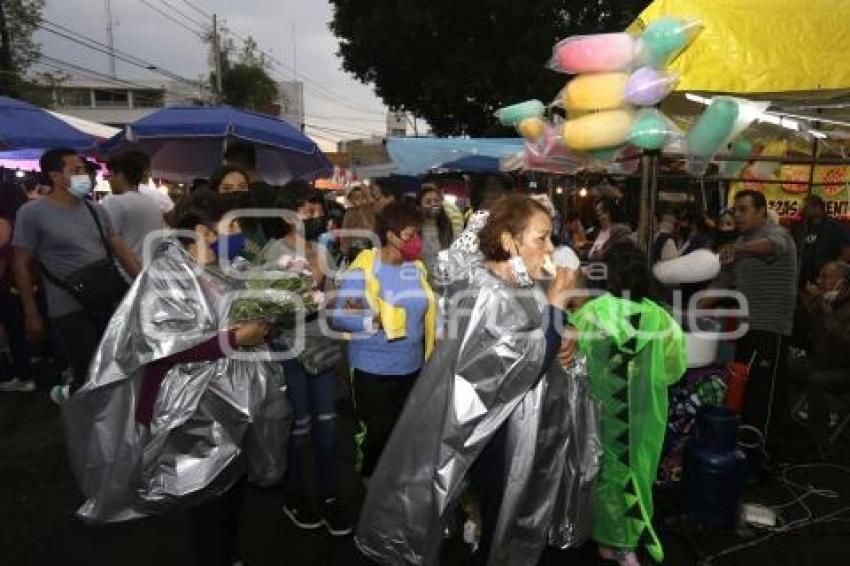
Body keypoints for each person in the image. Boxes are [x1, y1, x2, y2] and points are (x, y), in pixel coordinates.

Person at [355, 195, 582, 566]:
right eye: (541, 238)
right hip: (488, 432)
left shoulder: (512, 280)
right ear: (509, 240)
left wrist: (562, 329)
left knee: (488, 506)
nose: (551, 248)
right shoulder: (489, 293)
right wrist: (556, 307)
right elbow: (522, 368)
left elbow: (533, 337)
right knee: (498, 508)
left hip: (497, 424)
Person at [63, 190, 285, 566]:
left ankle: (228, 554)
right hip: (193, 407)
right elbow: (166, 346)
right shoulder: (166, 274)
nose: (241, 234)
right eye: (233, 225)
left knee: (232, 487)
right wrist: (235, 338)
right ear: (204, 231)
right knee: (206, 494)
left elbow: (250, 316)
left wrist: (269, 321)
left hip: (238, 402)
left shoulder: (233, 268)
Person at [570, 243, 687, 566]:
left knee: (607, 471)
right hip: (646, 412)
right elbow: (675, 368)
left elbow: (568, 359)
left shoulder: (592, 313)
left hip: (602, 410)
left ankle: (614, 542)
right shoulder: (660, 317)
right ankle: (629, 537)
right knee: (640, 469)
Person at [255, 181, 351, 536]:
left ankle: (328, 496)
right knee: (299, 428)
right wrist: (312, 294)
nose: (314, 216)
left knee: (327, 428)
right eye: (305, 210)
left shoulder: (322, 250)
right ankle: (294, 494)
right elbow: (269, 309)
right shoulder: (273, 252)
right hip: (289, 349)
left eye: (317, 210)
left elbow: (336, 297)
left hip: (322, 348)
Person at [13, 148, 141, 401]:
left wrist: (143, 284)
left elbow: (122, 251)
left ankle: (113, 421)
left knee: (117, 363)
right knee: (87, 369)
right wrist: (30, 312)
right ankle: (82, 417)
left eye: (85, 170)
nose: (87, 176)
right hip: (68, 306)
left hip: (106, 296)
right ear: (55, 176)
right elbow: (20, 264)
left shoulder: (96, 209)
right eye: (77, 170)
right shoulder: (32, 213)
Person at [332, 200, 436, 483]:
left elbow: (425, 310)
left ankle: (393, 492)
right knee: (376, 434)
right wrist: (374, 321)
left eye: (417, 234)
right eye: (409, 234)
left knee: (404, 433)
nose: (415, 241)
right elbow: (340, 316)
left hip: (412, 367)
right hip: (372, 370)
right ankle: (368, 486)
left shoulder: (416, 269)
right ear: (390, 235)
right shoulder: (365, 269)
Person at [704, 190, 798, 456]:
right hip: (747, 328)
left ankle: (762, 459)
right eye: (735, 210)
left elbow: (773, 246)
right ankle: (748, 452)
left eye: (743, 209)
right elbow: (720, 285)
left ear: (761, 211)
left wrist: (738, 248)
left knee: (762, 396)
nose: (737, 215)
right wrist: (687, 311)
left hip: (771, 328)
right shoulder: (740, 243)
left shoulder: (776, 234)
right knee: (744, 393)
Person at [800, 261, 850, 453]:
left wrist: (828, 316)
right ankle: (784, 425)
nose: (820, 281)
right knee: (782, 366)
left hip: (844, 369)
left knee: (817, 381)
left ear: (842, 283)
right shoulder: (823, 302)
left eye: (826, 277)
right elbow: (802, 336)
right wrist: (808, 304)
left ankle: (819, 443)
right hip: (820, 362)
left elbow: (846, 346)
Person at [100, 152, 167, 264]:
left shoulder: (114, 201)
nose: (109, 180)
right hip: (147, 272)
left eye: (111, 175)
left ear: (121, 175)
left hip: (123, 273)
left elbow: (104, 240)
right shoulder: (152, 203)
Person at [0, 182, 35, 392]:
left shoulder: (3, 223)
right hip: (22, 284)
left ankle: (22, 374)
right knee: (16, 330)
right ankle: (24, 369)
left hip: (7, 286)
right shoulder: (22, 220)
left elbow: (2, 261)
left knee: (13, 331)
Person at [340, 177, 403, 261]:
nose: (372, 202)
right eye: (372, 197)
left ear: (390, 198)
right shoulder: (380, 218)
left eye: (376, 197)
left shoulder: (399, 223)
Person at [796, 195, 850, 288]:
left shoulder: (834, 226)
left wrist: (832, 271)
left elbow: (847, 252)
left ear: (818, 208)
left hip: (826, 283)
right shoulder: (804, 228)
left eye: (807, 207)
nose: (803, 210)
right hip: (804, 282)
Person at [416, 183, 463, 286]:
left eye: (437, 201)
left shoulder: (449, 229)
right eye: (428, 201)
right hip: (423, 287)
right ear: (419, 207)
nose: (434, 204)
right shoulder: (415, 231)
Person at [587, 197, 633, 262]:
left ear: (609, 212)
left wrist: (595, 254)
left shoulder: (621, 230)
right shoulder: (600, 231)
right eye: (598, 214)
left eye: (602, 212)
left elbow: (616, 254)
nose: (600, 217)